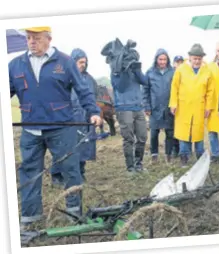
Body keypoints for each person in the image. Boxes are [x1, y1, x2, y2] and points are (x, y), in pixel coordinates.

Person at [9, 27, 102, 228]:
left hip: (62, 126)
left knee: (70, 169)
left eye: (37, 38)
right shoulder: (15, 65)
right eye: (29, 38)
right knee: (30, 171)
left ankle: (74, 211)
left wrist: (93, 112)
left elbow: (83, 89)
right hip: (30, 129)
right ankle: (30, 216)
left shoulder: (65, 62)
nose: (32, 42)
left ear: (49, 39)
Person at [51, 48, 99, 184]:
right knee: (64, 147)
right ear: (73, 62)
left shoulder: (89, 79)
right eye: (80, 62)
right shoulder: (64, 77)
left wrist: (94, 114)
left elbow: (93, 97)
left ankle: (81, 172)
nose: (83, 64)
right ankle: (57, 174)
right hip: (68, 117)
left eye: (85, 62)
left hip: (85, 118)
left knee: (84, 146)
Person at [101, 38, 148, 173]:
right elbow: (121, 87)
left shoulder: (134, 69)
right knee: (128, 139)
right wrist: (124, 71)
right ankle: (130, 167)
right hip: (124, 108)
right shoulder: (115, 73)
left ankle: (139, 164)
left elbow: (144, 81)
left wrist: (136, 69)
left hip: (138, 107)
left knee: (142, 137)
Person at [169, 43, 214, 168]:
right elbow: (174, 87)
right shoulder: (181, 69)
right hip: (183, 107)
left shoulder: (207, 71)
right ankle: (184, 157)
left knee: (198, 133)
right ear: (190, 57)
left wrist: (208, 107)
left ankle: (200, 157)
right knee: (184, 134)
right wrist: (173, 103)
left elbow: (210, 91)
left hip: (199, 107)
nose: (197, 61)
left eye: (199, 59)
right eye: (195, 58)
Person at [143, 49, 175, 163]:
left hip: (169, 107)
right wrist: (147, 106)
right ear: (156, 59)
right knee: (154, 133)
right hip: (154, 107)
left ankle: (168, 155)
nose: (162, 62)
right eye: (160, 59)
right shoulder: (150, 73)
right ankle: (154, 155)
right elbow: (145, 91)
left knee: (170, 133)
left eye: (164, 59)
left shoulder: (173, 72)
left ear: (168, 60)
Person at [171, 55, 185, 158]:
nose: (179, 64)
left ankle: (182, 149)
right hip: (172, 104)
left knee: (181, 128)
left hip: (182, 106)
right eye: (177, 62)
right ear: (174, 63)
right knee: (171, 128)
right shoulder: (170, 73)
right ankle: (174, 149)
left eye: (181, 62)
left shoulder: (185, 74)